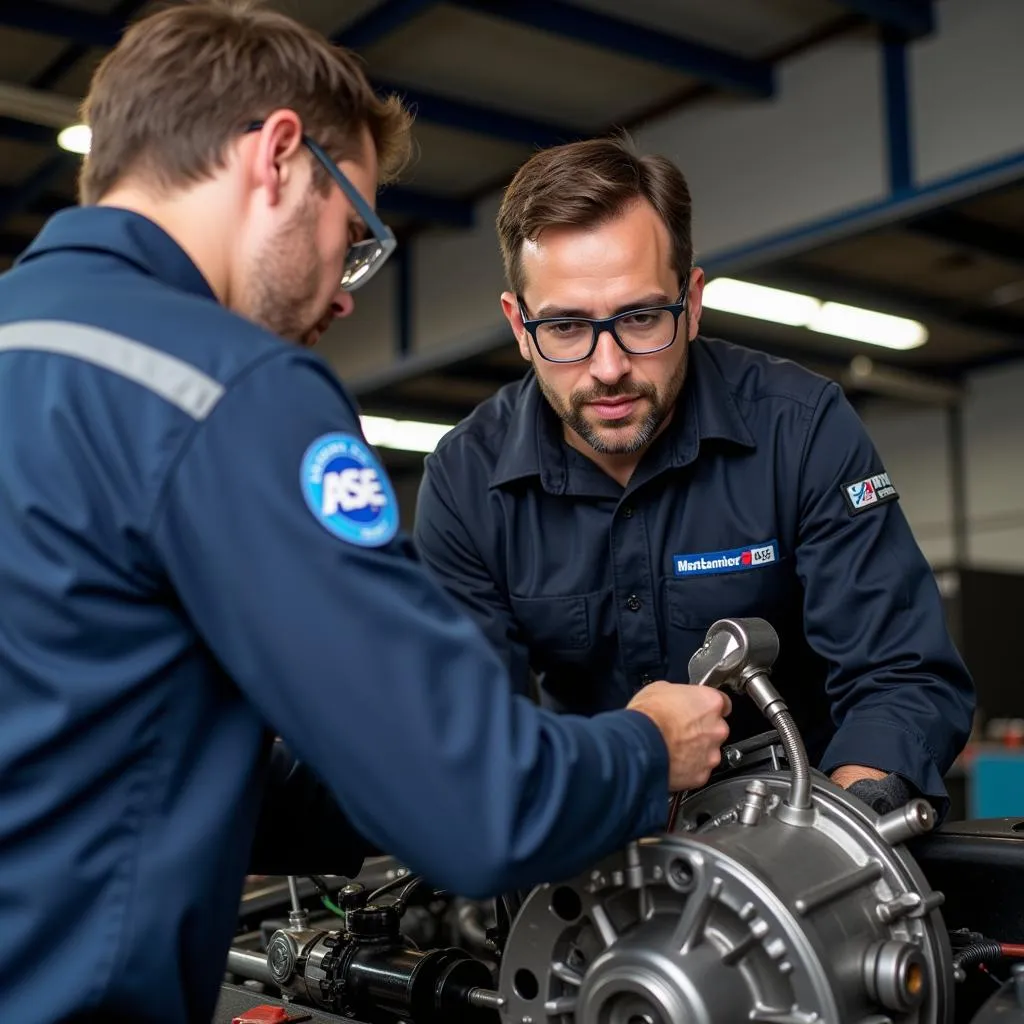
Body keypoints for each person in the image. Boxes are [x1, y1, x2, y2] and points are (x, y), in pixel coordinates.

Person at [0, 6, 734, 1023]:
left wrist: (376, 763)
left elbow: (98, 749)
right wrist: (643, 748)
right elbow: (475, 806)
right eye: (353, 234)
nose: (344, 295)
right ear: (279, 158)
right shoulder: (227, 388)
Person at [414, 134, 976, 823]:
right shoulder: (466, 481)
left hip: (808, 828)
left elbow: (902, 676)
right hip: (593, 856)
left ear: (694, 300)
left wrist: (830, 841)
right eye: (564, 327)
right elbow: (470, 738)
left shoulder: (800, 429)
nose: (609, 366)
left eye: (642, 317)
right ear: (520, 326)